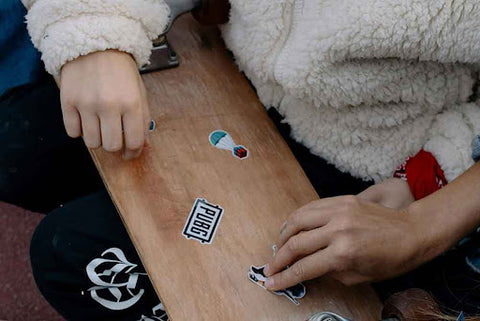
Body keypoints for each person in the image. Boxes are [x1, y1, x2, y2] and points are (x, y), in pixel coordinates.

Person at [2, 0, 480, 320]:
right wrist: (94, 27)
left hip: (374, 155)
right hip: (226, 64)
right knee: (14, 152)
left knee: (67, 252)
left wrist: (421, 219)